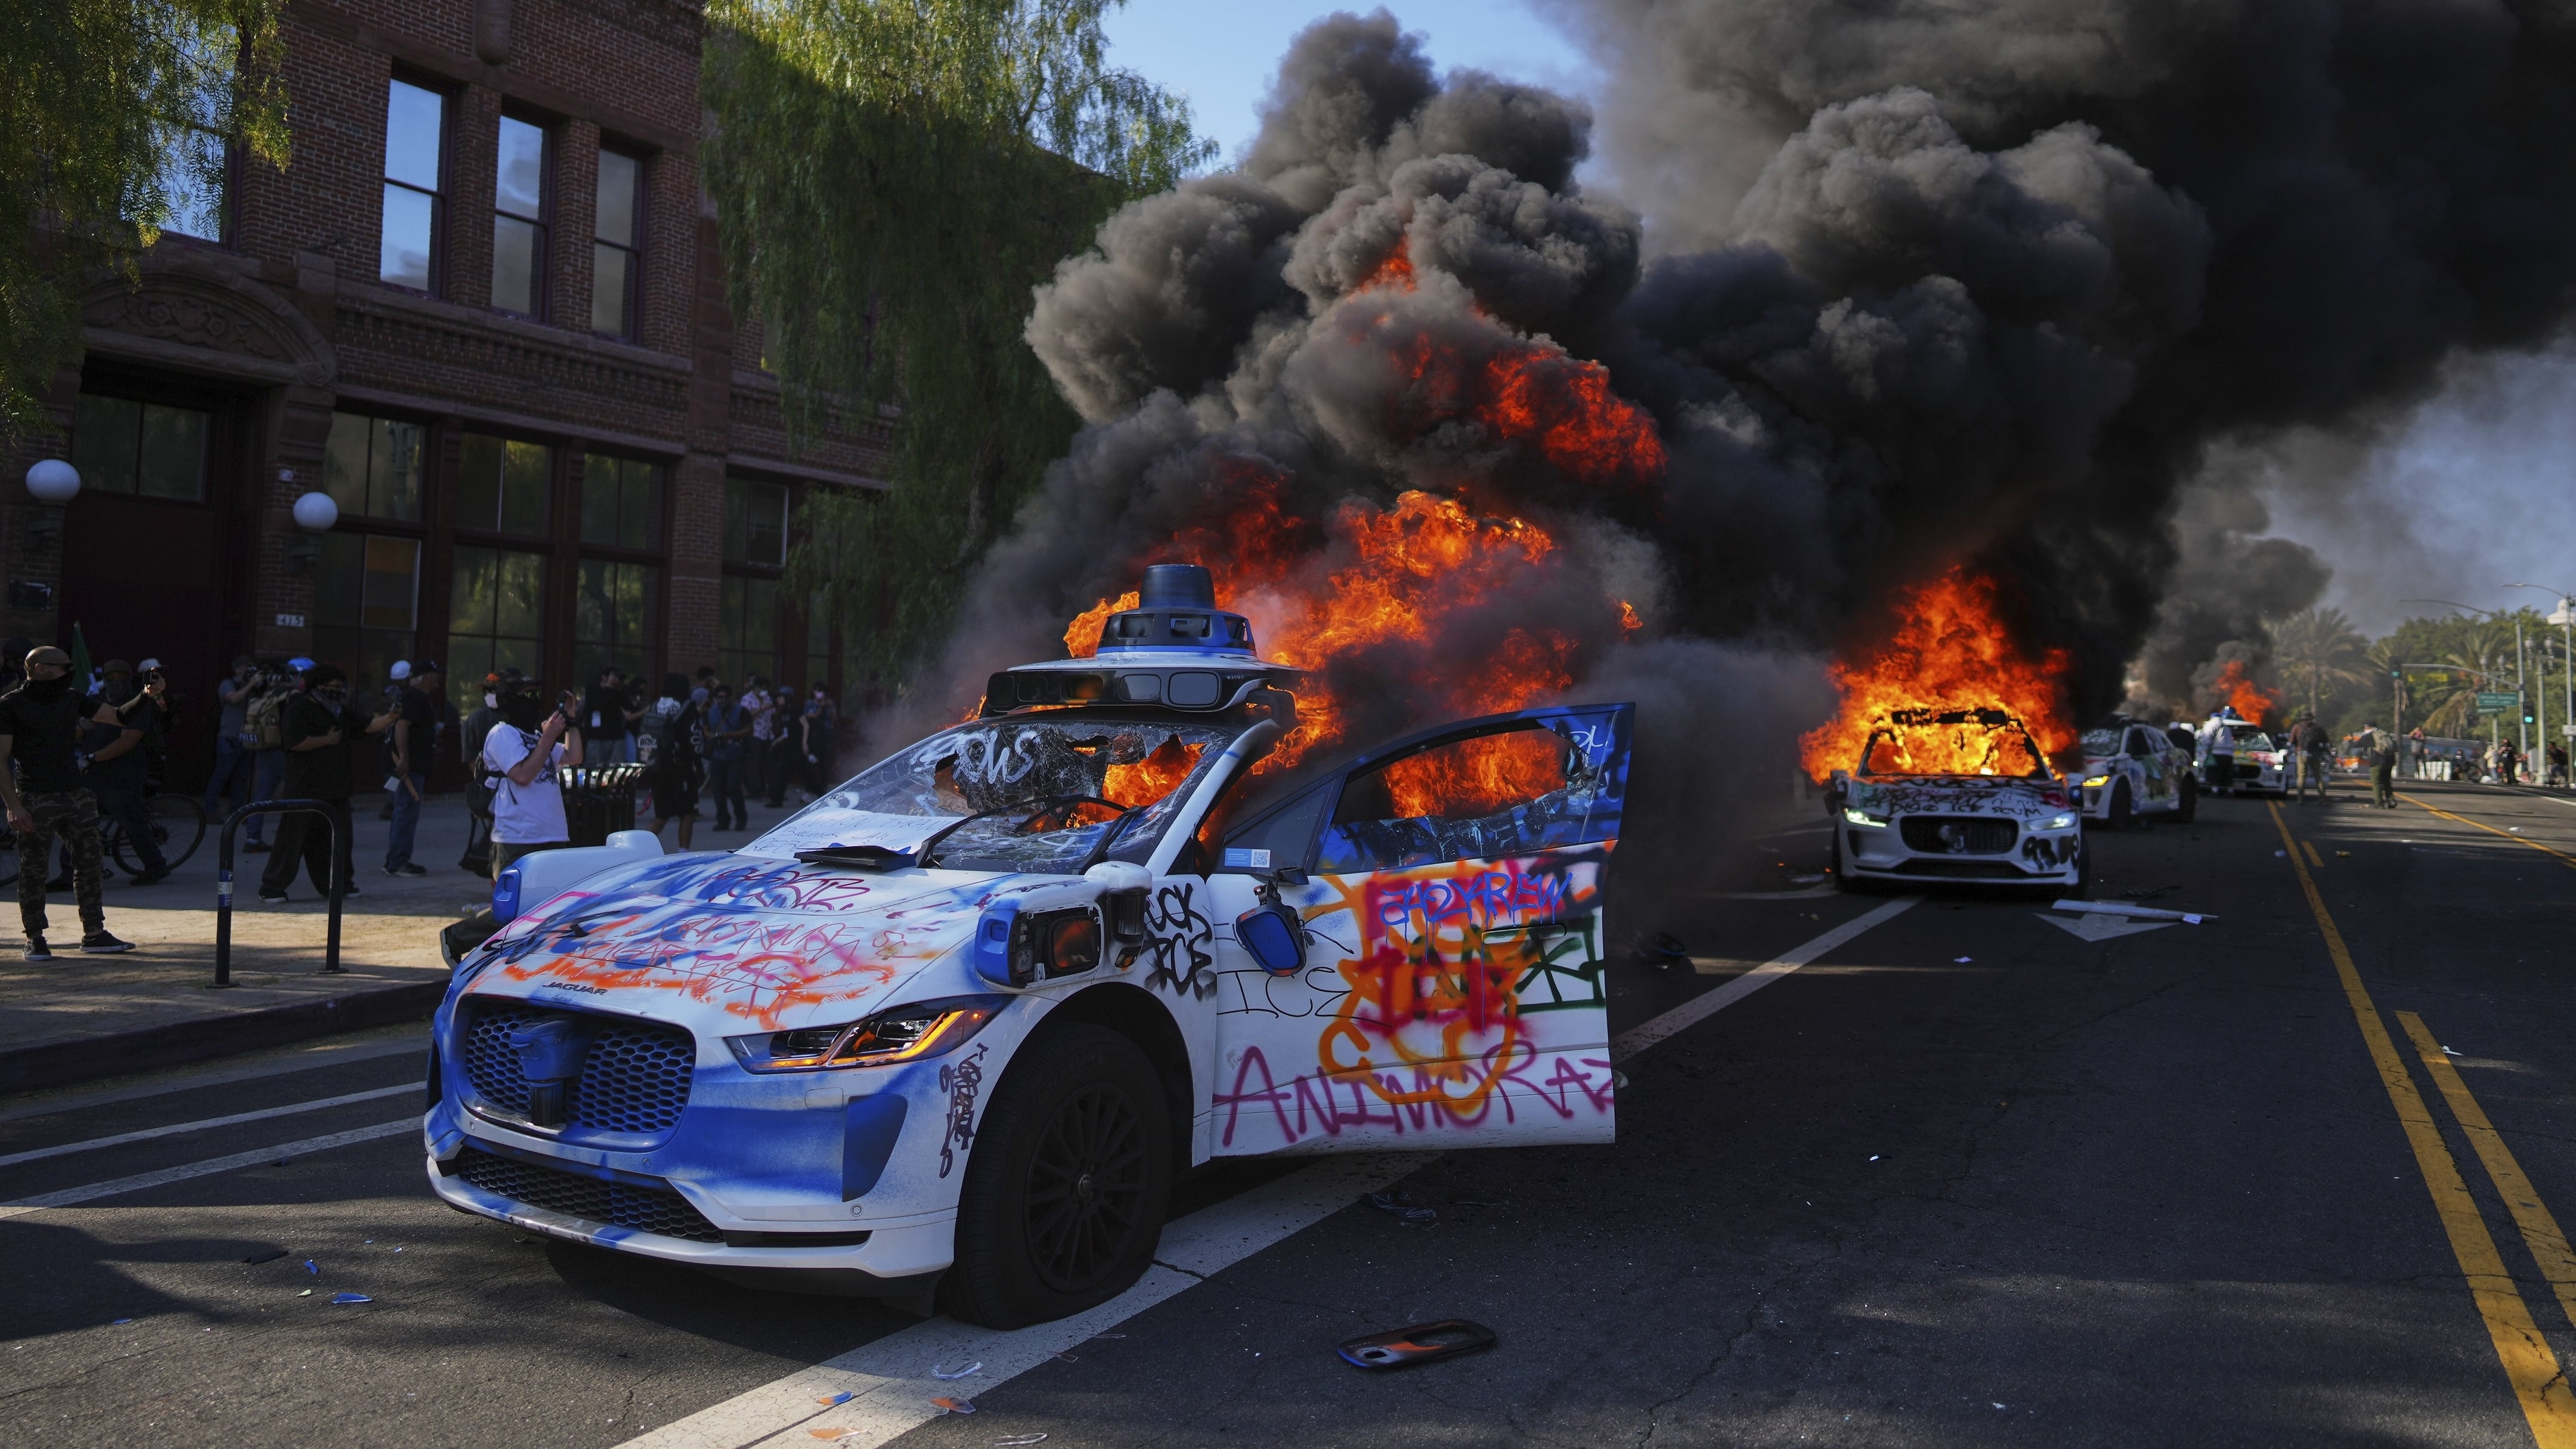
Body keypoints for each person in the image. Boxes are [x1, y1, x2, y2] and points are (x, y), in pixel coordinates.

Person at [0, 646, 139, 958]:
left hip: (75, 794)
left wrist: (146, 695)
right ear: (40, 669)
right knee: (34, 869)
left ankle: (94, 933)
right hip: (35, 797)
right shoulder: (11, 706)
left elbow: (118, 716)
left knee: (90, 862)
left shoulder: (72, 698)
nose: (68, 672)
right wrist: (14, 806)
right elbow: (0, 760)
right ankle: (35, 938)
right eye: (62, 667)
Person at [256, 664, 388, 903]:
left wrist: (393, 716)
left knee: (337, 840)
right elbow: (295, 743)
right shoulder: (299, 710)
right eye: (333, 687)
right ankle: (272, 887)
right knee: (292, 839)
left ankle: (338, 884)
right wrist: (326, 740)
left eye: (341, 687)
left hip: (336, 788)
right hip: (304, 787)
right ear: (318, 687)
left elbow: (367, 726)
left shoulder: (340, 711)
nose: (339, 691)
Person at [484, 673, 584, 879]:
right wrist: (548, 736)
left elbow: (574, 756)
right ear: (510, 700)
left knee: (552, 902)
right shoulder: (501, 734)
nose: (534, 702)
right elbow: (522, 775)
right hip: (518, 838)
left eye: (536, 695)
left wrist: (571, 721)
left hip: (553, 834)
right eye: (528, 696)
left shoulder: (537, 736)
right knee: (518, 905)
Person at [86, 662, 171, 886]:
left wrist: (92, 757)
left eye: (121, 677)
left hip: (124, 773)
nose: (116, 682)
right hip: (95, 771)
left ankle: (156, 866)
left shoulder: (137, 704)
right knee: (79, 819)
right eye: (111, 677)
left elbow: (127, 741)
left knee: (131, 821)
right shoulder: (98, 700)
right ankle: (74, 871)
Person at [381, 660, 442, 876]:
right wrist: (404, 758)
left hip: (411, 765)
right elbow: (401, 726)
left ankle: (395, 859)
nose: (437, 679)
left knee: (403, 811)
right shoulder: (415, 697)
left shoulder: (414, 697)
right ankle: (398, 862)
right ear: (424, 677)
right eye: (434, 675)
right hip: (409, 767)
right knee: (406, 812)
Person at [643, 677, 705, 849]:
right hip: (680, 766)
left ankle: (641, 848)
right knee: (687, 813)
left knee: (661, 815)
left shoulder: (656, 705)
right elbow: (694, 738)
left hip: (657, 766)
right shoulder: (687, 707)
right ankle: (683, 852)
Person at [203, 655, 259, 825]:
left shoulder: (254, 686)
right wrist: (251, 684)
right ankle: (209, 811)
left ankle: (238, 812)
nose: (252, 671)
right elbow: (234, 699)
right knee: (221, 775)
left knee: (241, 778)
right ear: (239, 669)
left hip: (248, 736)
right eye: (248, 668)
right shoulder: (228, 684)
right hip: (230, 737)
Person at [458, 673, 504, 877]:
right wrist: (483, 782)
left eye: (493, 690)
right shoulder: (477, 719)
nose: (489, 695)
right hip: (487, 783)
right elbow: (469, 756)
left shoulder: (515, 716)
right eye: (486, 691)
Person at [704, 683, 751, 831]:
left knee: (733, 786)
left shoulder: (741, 711)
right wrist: (711, 736)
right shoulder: (711, 712)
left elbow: (749, 729)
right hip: (718, 754)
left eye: (726, 697)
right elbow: (705, 727)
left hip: (735, 754)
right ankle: (723, 820)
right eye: (719, 697)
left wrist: (731, 735)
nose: (723, 700)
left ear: (731, 697)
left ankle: (741, 817)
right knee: (718, 789)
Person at [581, 665, 632, 764]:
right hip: (597, 736)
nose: (615, 679)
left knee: (615, 770)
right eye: (613, 675)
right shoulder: (593, 689)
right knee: (595, 768)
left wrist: (619, 689)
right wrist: (608, 688)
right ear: (604, 677)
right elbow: (598, 705)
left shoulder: (619, 691)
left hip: (616, 736)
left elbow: (628, 706)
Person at [802, 684, 839, 799]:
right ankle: (810, 789)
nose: (821, 693)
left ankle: (823, 789)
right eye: (819, 690)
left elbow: (835, 718)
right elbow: (811, 717)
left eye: (823, 691)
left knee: (825, 763)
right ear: (813, 691)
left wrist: (830, 707)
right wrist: (821, 707)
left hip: (826, 735)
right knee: (812, 763)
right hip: (813, 736)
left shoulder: (830, 703)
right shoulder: (809, 704)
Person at [2363, 720, 2397, 808]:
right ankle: (2391, 800)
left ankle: (2379, 802)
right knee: (2387, 781)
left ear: (2369, 727)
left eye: (2365, 727)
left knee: (2376, 782)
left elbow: (2358, 744)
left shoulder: (2370, 736)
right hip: (2390, 761)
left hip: (2377, 762)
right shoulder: (2385, 734)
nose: (2365, 729)